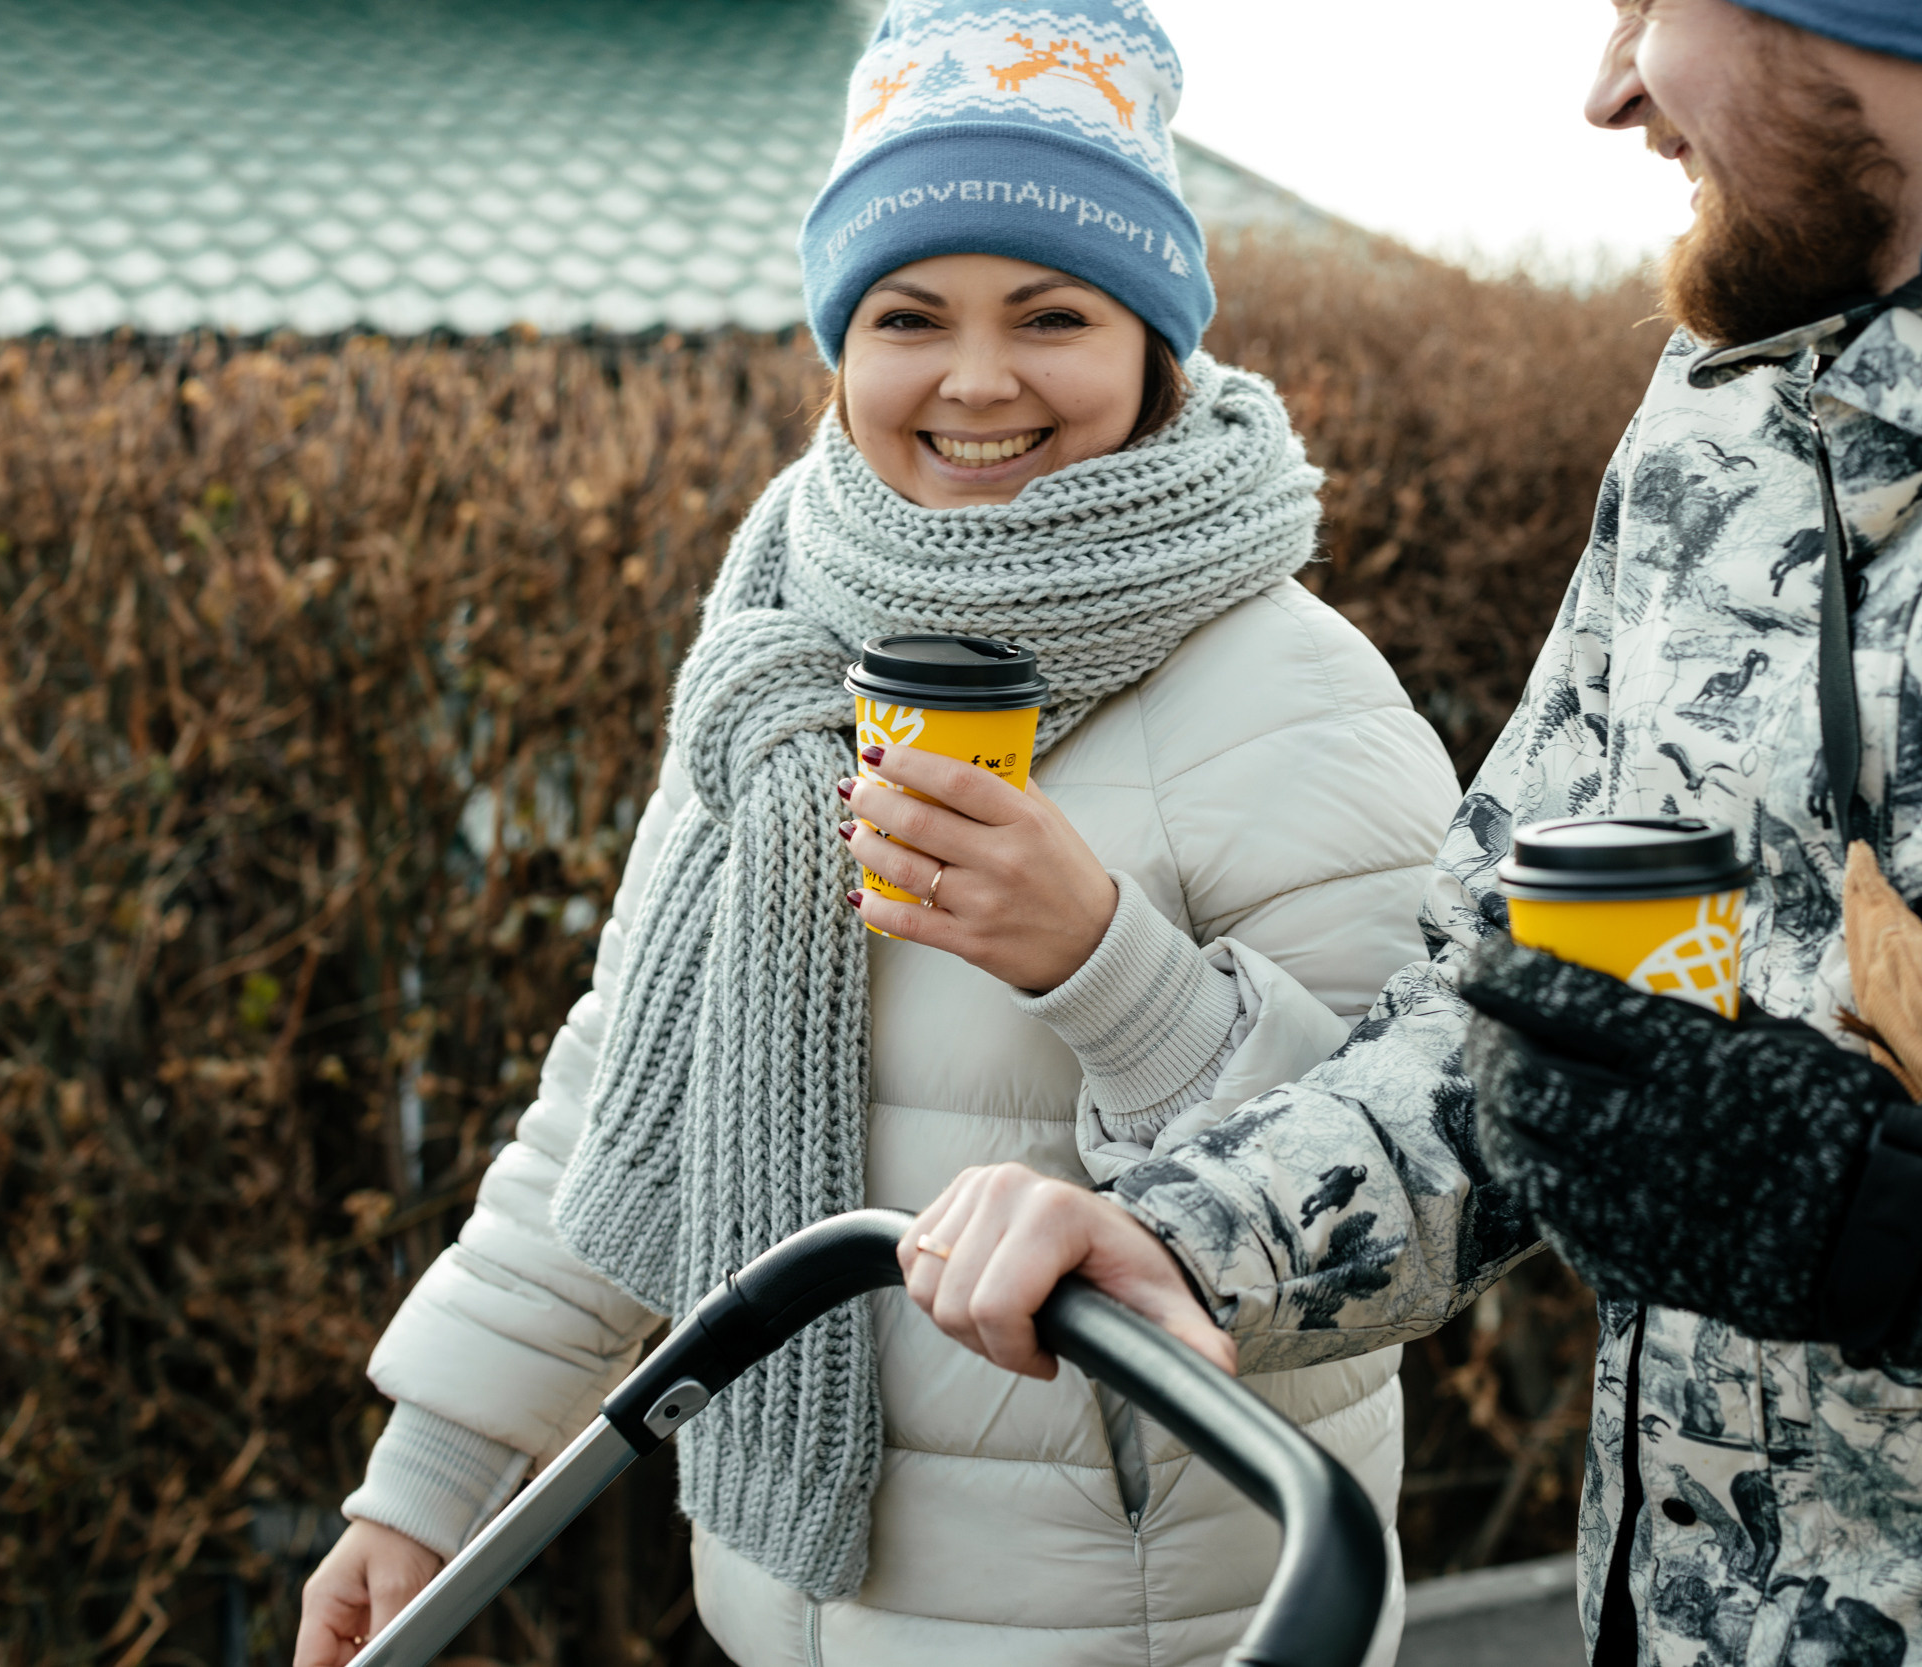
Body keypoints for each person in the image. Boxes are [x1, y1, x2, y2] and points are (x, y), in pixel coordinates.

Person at [902, 1, 1922, 1662]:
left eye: (1650, 6)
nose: (1608, 90)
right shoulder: (1725, 412)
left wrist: (1913, 1230)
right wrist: (1189, 1227)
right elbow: (1497, 1010)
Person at [291, 4, 1462, 1663]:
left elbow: (1409, 1197)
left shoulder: (1295, 693)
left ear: (1154, 345)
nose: (976, 380)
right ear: (842, 344)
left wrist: (1103, 964)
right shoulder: (780, 653)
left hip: (1147, 1628)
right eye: (910, 315)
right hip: (792, 1611)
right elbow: (624, 1094)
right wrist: (426, 1478)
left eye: (1050, 314)